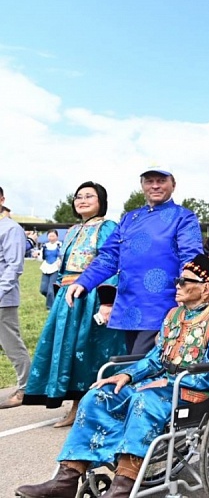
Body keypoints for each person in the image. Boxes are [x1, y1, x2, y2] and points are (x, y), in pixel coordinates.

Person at [14, 254, 209, 498]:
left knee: (144, 401)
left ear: (205, 289)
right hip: (158, 384)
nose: (177, 285)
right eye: (177, 280)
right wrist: (127, 376)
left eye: (184, 281)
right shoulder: (173, 315)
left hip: (191, 391)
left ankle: (122, 486)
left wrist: (171, 382)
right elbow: (153, 359)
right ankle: (66, 479)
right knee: (97, 395)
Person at [65, 165, 204, 355]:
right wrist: (83, 282)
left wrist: (189, 289)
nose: (155, 186)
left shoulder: (184, 217)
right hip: (128, 306)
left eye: (161, 181)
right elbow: (109, 256)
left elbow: (191, 257)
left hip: (163, 305)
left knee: (140, 365)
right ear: (142, 186)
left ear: (173, 185)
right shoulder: (129, 218)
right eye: (149, 181)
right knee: (131, 360)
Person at [23, 182, 127, 427]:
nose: (82, 200)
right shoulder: (71, 230)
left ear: (101, 200)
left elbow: (111, 262)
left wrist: (106, 300)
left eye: (89, 196)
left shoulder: (107, 226)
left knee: (88, 352)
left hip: (92, 294)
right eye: (78, 197)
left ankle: (90, 408)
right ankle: (74, 406)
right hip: (69, 297)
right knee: (67, 351)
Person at [0, 187, 30, 409]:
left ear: (2, 199)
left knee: (11, 344)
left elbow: (14, 266)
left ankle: (26, 388)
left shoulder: (10, 229)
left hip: (3, 299)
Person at [39, 229, 61, 310]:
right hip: (46, 267)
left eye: (53, 236)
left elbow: (62, 255)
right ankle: (53, 300)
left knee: (51, 290)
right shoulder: (45, 246)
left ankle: (50, 307)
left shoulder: (60, 245)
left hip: (55, 268)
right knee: (43, 289)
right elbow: (41, 257)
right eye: (50, 236)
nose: (51, 238)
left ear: (57, 237)